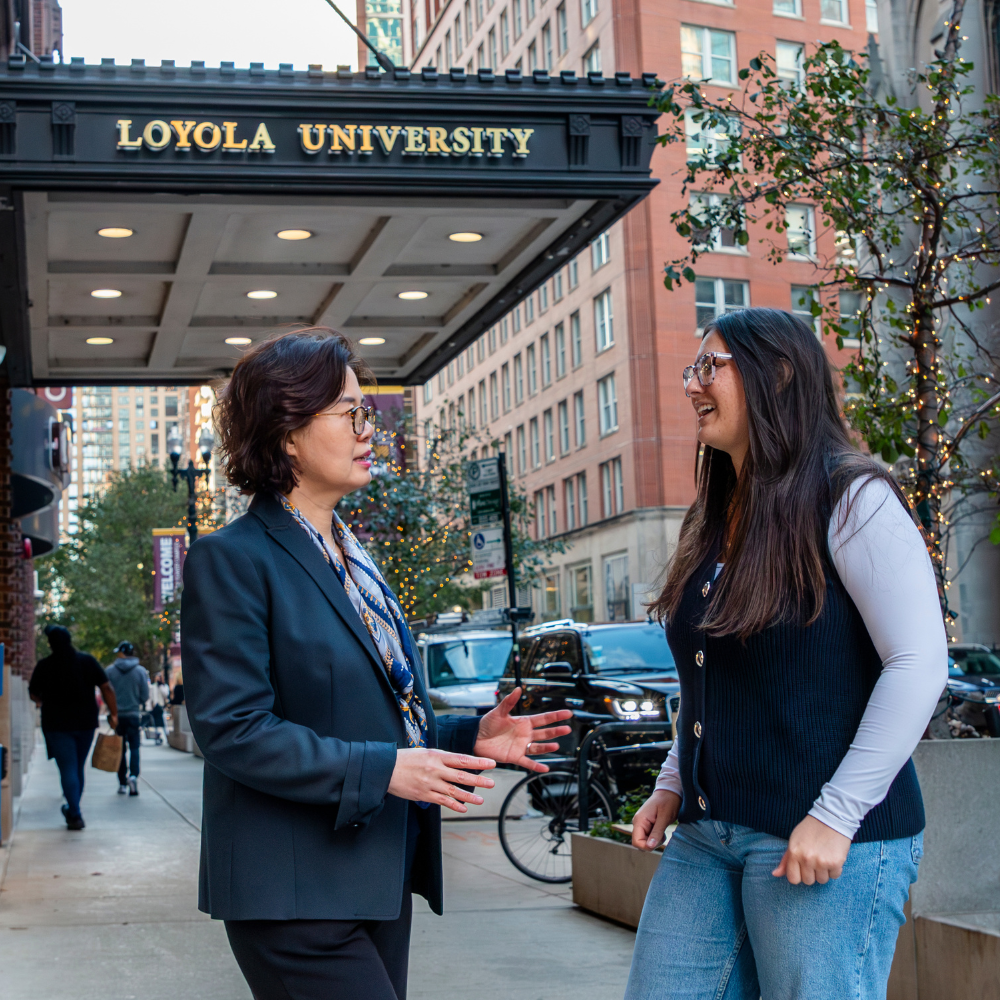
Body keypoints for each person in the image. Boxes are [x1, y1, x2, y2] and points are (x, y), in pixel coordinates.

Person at [182, 328, 572, 1000]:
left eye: (368, 412)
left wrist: (465, 737)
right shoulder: (233, 558)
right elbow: (233, 730)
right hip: (293, 894)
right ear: (287, 433)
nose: (371, 431)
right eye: (351, 414)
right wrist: (386, 770)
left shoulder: (354, 560)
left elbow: (370, 711)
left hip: (374, 876)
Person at [624, 308, 947, 1000]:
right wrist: (673, 780)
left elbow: (919, 661)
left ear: (777, 374)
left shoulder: (852, 497)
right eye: (693, 368)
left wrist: (835, 817)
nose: (691, 385)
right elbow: (713, 676)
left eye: (710, 366)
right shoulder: (721, 512)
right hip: (710, 833)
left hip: (823, 840)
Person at [29, 625, 118, 830]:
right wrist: (114, 713)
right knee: (77, 767)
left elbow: (34, 694)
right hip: (85, 723)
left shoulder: (44, 666)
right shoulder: (87, 661)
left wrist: (43, 699)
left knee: (68, 768)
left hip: (57, 725)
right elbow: (106, 687)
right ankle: (73, 808)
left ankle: (75, 813)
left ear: (51, 643)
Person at [105, 641, 149, 796]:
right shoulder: (140, 671)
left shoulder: (110, 671)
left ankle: (122, 782)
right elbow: (145, 696)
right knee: (135, 747)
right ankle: (133, 776)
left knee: (120, 749)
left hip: (117, 716)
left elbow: (106, 692)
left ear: (122, 653)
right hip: (133, 715)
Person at [145, 672, 170, 744]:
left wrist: (161, 686)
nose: (157, 678)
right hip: (155, 707)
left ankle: (166, 737)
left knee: (164, 723)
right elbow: (150, 696)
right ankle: (158, 737)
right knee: (155, 723)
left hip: (161, 706)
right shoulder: (152, 686)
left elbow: (166, 695)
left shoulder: (164, 686)